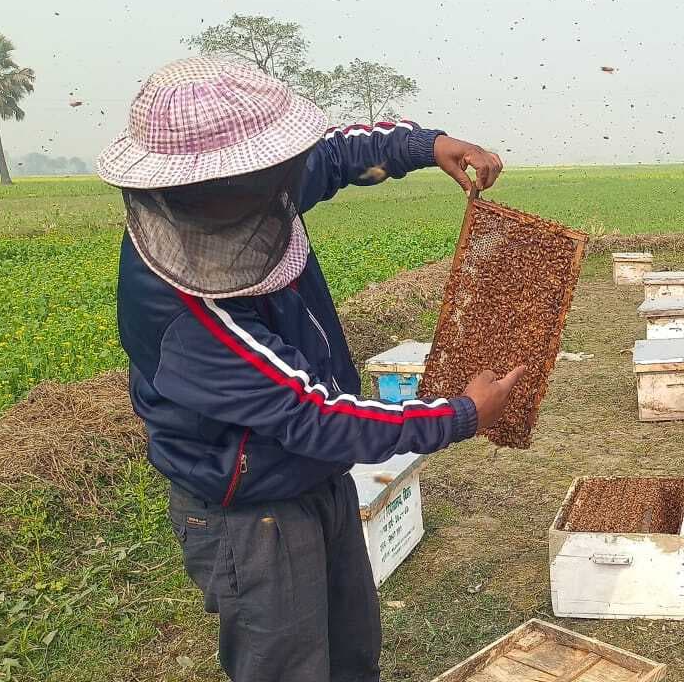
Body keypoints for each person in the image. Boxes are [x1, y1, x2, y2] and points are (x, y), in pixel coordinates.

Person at [99, 57, 524, 682]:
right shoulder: (185, 320)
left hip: (313, 479)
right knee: (289, 670)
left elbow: (336, 155)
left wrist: (428, 144)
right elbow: (314, 413)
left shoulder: (251, 182)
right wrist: (459, 414)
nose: (286, 187)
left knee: (353, 655)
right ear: (206, 191)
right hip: (250, 509)